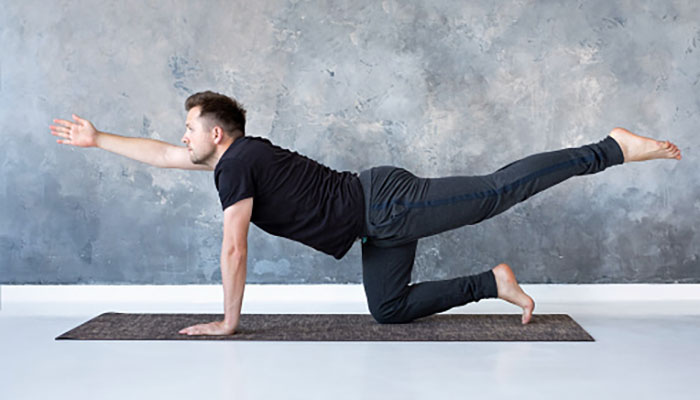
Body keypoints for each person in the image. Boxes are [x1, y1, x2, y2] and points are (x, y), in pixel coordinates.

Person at [50, 90, 682, 336]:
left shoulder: (237, 163)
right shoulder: (233, 159)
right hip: (371, 224)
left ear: (218, 135)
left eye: (190, 127)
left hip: (386, 204)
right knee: (388, 308)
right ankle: (493, 284)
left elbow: (234, 247)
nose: (181, 136)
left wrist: (228, 321)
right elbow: (163, 156)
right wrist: (99, 139)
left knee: (494, 192)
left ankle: (610, 148)